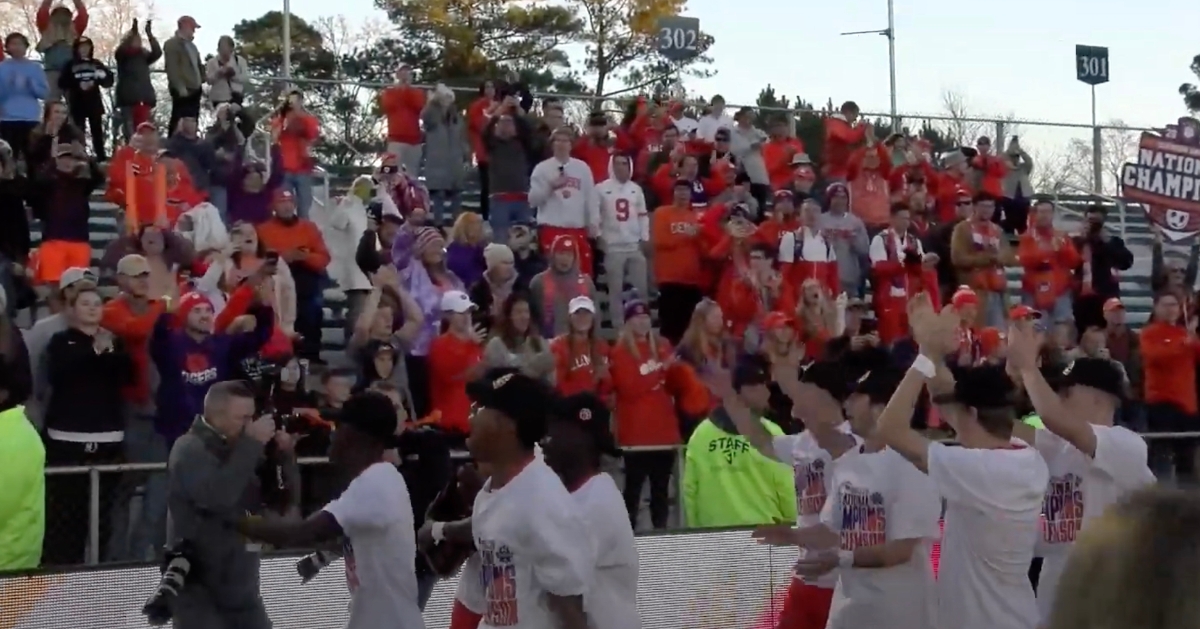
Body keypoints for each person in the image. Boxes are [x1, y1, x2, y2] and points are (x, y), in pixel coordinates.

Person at [874, 295, 1048, 629]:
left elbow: (889, 428)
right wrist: (931, 346)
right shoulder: (1026, 457)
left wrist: (925, 355)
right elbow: (949, 398)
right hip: (1016, 618)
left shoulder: (978, 470)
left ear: (970, 413)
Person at [754, 367, 941, 629]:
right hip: (850, 611)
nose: (846, 404)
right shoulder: (849, 460)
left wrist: (842, 559)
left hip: (896, 615)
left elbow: (900, 551)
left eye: (856, 397)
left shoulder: (914, 466)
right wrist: (794, 536)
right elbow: (834, 531)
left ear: (883, 408)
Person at [418, 368, 594, 629]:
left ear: (506, 425)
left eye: (481, 408)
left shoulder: (543, 501)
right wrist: (438, 531)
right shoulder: (496, 486)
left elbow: (570, 608)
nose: (472, 415)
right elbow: (482, 527)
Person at [235, 389, 426, 629]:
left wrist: (234, 520)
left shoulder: (376, 483)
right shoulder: (373, 481)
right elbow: (355, 535)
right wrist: (320, 559)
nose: (330, 436)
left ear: (358, 437)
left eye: (337, 428)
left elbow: (299, 533)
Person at [1006, 327, 1154, 625]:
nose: (1060, 397)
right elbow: (993, 426)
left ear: (1101, 400)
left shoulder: (1125, 445)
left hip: (1107, 588)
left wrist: (1028, 368)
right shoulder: (1056, 442)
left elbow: (1054, 418)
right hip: (1057, 583)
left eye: (1068, 392)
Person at [165, 381, 280, 629]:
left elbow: (270, 497)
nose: (250, 425)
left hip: (243, 584)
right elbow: (217, 497)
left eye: (253, 417)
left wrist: (283, 455)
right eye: (243, 418)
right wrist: (251, 445)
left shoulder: (243, 447)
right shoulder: (189, 448)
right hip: (201, 588)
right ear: (217, 416)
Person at [42, 284, 134, 565]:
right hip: (67, 440)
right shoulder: (61, 341)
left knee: (102, 516)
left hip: (108, 438)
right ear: (72, 310)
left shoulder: (115, 343)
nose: (93, 307)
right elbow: (63, 373)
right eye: (86, 303)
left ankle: (98, 572)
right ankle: (59, 574)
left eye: (97, 303)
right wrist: (95, 352)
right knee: (65, 515)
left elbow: (127, 375)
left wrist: (107, 354)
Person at [543, 392, 642, 629]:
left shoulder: (596, 502)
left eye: (558, 427)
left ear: (582, 438)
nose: (548, 437)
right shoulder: (580, 494)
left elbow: (561, 588)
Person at [101, 254, 170, 561]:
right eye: (135, 274)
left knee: (159, 488)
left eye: (146, 274)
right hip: (126, 411)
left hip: (161, 410)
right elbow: (139, 329)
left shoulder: (158, 308)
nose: (143, 279)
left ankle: (143, 556)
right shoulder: (111, 311)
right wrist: (165, 305)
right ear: (120, 280)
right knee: (123, 488)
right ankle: (116, 559)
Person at [682, 355, 797, 529]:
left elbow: (690, 491)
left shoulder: (702, 434)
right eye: (759, 387)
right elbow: (787, 489)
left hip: (714, 536)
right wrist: (793, 524)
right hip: (764, 536)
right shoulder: (771, 434)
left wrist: (697, 533)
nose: (766, 393)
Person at [256, 189, 331, 361]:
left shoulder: (309, 228)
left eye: (289, 202)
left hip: (305, 277)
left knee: (312, 310)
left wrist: (305, 256)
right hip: (275, 279)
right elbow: (257, 259)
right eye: (282, 202)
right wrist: (284, 257)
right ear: (274, 206)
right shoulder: (263, 230)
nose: (286, 206)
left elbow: (324, 258)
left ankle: (311, 355)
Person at [33, 141, 104, 287]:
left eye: (71, 158)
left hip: (79, 241)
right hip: (53, 240)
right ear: (56, 160)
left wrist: (86, 157)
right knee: (54, 285)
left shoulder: (82, 183)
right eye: (63, 158)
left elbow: (99, 178)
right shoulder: (48, 183)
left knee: (79, 285)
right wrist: (52, 162)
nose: (67, 162)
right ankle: (56, 311)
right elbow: (38, 181)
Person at [530, 128, 597, 275]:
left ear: (571, 144)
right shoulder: (542, 169)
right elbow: (533, 200)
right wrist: (550, 187)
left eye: (565, 141)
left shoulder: (582, 168)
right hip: (551, 228)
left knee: (582, 272)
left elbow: (591, 197)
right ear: (552, 144)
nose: (561, 144)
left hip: (577, 228)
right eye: (557, 140)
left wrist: (593, 222)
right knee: (553, 274)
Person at [594, 153, 650, 327]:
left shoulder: (636, 189)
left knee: (641, 288)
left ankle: (642, 324)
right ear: (611, 165)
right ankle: (619, 327)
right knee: (615, 290)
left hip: (634, 245)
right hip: (613, 246)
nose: (621, 167)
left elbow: (643, 216)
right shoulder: (601, 189)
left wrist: (645, 237)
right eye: (617, 163)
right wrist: (598, 236)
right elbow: (595, 216)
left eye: (624, 163)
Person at [651, 180, 707, 344]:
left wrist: (699, 236)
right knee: (670, 328)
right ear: (673, 193)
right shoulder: (662, 213)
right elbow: (660, 241)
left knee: (690, 327)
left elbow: (703, 249)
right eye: (679, 190)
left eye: (686, 190)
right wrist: (686, 236)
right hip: (669, 279)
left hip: (692, 281)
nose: (682, 194)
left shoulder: (696, 217)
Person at [428, 290, 486, 438]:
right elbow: (454, 376)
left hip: (475, 423)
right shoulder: (439, 345)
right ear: (447, 316)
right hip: (450, 424)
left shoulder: (475, 345)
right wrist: (470, 345)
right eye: (461, 312)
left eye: (468, 312)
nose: (466, 317)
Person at [528, 234, 597, 337]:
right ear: (552, 255)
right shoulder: (538, 282)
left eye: (569, 255)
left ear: (575, 257)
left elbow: (596, 318)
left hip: (580, 342)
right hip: (548, 343)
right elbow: (532, 318)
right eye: (561, 253)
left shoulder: (587, 282)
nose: (564, 259)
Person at [58, 36, 113, 160]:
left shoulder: (96, 64)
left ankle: (100, 158)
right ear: (76, 49)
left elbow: (108, 81)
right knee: (78, 132)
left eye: (87, 47)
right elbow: (62, 82)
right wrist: (77, 84)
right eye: (81, 47)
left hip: (94, 103)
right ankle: (79, 158)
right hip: (77, 103)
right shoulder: (70, 64)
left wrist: (99, 78)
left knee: (97, 133)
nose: (84, 50)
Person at [0, 33, 50, 165]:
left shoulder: (35, 68)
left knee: (33, 157)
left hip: (30, 118)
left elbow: (44, 93)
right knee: (9, 158)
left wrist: (31, 84)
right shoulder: (2, 67)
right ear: (7, 47)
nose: (17, 47)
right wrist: (7, 86)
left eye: (20, 44)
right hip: (7, 118)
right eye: (13, 44)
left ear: (26, 47)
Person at [482, 291, 554, 379]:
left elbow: (551, 381)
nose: (524, 316)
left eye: (526, 312)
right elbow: (495, 381)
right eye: (518, 312)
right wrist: (531, 369)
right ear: (509, 316)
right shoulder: (496, 345)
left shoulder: (538, 343)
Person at [422, 84, 467, 223]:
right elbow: (425, 117)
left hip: (455, 162)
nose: (446, 100)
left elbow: (462, 138)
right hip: (437, 161)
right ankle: (438, 223)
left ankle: (457, 222)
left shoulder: (456, 118)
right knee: (439, 194)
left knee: (457, 194)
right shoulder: (431, 114)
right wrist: (432, 102)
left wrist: (466, 155)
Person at [272, 90, 320, 218]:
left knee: (305, 205)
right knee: (284, 203)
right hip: (285, 167)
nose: (294, 103)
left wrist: (299, 115)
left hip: (303, 168)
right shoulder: (280, 120)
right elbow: (275, 137)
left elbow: (313, 136)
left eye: (297, 100)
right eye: (292, 100)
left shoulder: (309, 120)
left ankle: (302, 230)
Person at [114, 20, 162, 140]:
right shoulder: (123, 56)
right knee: (130, 132)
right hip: (128, 99)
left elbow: (157, 53)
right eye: (135, 40)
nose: (138, 42)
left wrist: (150, 35)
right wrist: (133, 31)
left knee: (145, 129)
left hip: (144, 98)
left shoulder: (143, 56)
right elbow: (120, 51)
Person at [35, 0, 88, 100]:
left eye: (65, 13)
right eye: (58, 13)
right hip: (52, 71)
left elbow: (83, 15)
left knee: (74, 103)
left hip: (72, 72)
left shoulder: (75, 27)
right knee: (51, 102)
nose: (61, 16)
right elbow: (42, 12)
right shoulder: (46, 26)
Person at [380, 63, 426, 177]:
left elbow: (418, 106)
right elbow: (388, 106)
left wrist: (407, 90)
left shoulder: (417, 92)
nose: (405, 75)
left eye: (408, 72)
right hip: (395, 138)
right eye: (402, 72)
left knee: (412, 174)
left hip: (414, 140)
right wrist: (400, 91)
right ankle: (393, 194)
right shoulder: (389, 92)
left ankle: (411, 194)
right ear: (397, 75)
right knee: (392, 172)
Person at [163, 16, 204, 136]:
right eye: (192, 28)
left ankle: (190, 149)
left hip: (196, 89)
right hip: (183, 90)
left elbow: (198, 65)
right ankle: (173, 147)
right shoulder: (172, 44)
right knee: (178, 121)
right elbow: (172, 68)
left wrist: (203, 78)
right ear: (185, 26)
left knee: (192, 122)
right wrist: (180, 87)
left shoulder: (193, 47)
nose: (194, 31)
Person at [205, 35, 249, 108]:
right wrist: (219, 73)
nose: (225, 54)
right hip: (218, 98)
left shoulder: (239, 61)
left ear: (232, 49)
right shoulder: (212, 62)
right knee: (223, 116)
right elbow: (209, 81)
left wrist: (233, 75)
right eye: (222, 50)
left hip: (235, 96)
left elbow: (245, 79)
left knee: (241, 115)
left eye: (227, 50)